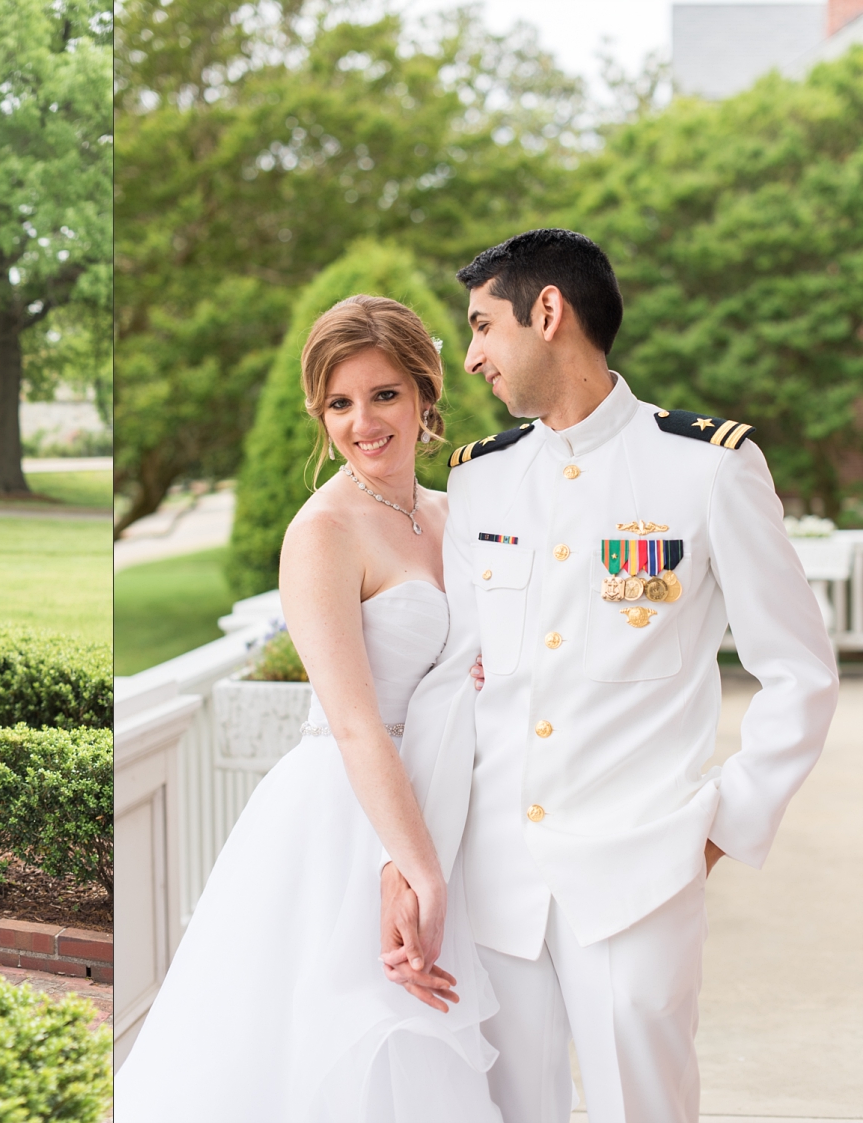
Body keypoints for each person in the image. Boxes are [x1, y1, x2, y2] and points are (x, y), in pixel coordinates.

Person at [394, 228, 839, 1120]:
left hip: (640, 874)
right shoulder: (482, 480)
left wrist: (718, 827)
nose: (471, 356)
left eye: (482, 326)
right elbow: (458, 682)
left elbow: (800, 671)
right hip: (501, 877)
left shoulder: (707, 467)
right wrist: (415, 856)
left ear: (547, 312)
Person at [114, 297, 503, 1121]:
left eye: (384, 394)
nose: (363, 422)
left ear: (426, 394)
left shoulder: (454, 512)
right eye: (339, 402)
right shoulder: (323, 530)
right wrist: (416, 868)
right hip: (344, 813)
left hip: (447, 797)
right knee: (352, 1049)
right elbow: (358, 722)